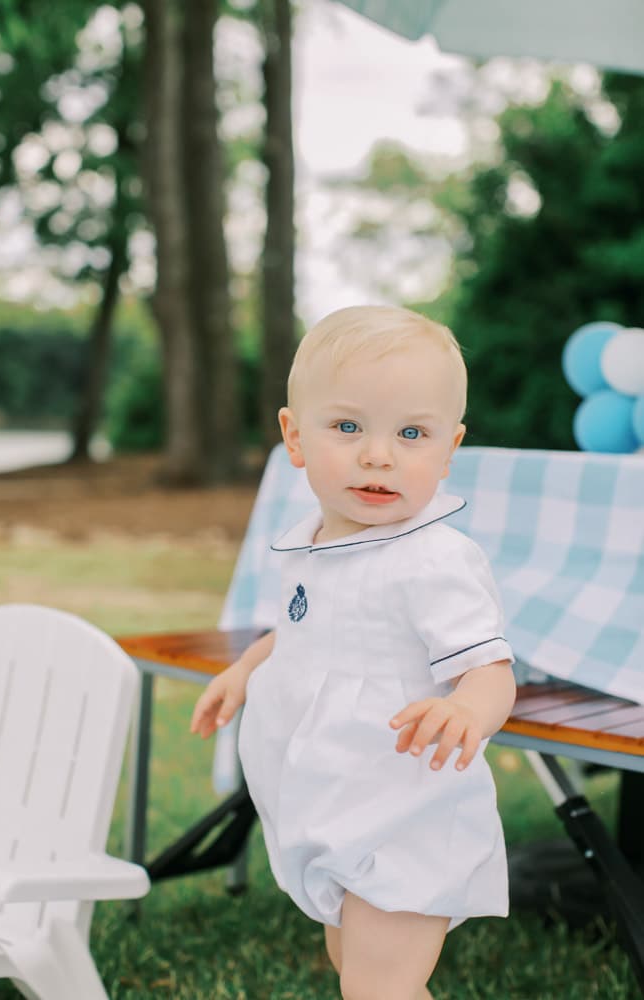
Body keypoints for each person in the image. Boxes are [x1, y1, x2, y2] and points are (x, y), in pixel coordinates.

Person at [191, 305, 517, 1000]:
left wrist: (467, 709)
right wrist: (246, 669)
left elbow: (488, 668)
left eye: (411, 433)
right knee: (357, 971)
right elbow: (307, 630)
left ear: (448, 447)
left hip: (403, 806)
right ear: (294, 436)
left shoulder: (432, 557)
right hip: (332, 801)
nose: (378, 455)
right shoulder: (311, 541)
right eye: (347, 427)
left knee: (378, 987)